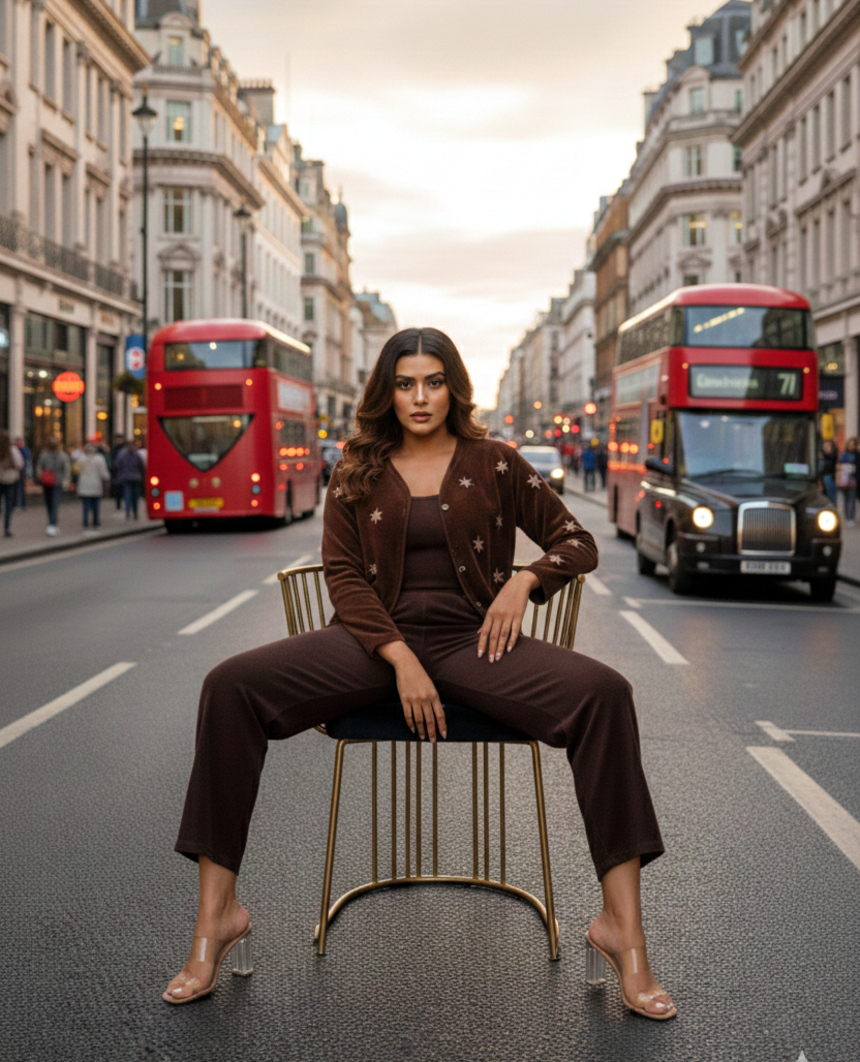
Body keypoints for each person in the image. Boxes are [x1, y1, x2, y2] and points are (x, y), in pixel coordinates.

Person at [163, 328, 675, 1020]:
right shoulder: (357, 467)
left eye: (433, 382)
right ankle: (217, 917)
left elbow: (577, 541)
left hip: (475, 644)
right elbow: (344, 576)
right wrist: (399, 656)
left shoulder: (495, 462)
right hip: (370, 646)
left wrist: (525, 580)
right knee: (228, 687)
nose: (420, 397)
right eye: (405, 384)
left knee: (607, 694)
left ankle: (622, 929)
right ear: (388, 393)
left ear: (453, 388)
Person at [35, 436, 70, 536]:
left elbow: (39, 466)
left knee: (49, 502)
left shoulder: (44, 454)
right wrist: (66, 480)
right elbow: (66, 468)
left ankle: (52, 523)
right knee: (54, 502)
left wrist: (40, 475)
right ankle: (52, 524)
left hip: (47, 481)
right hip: (57, 482)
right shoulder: (62, 455)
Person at [76, 441, 110, 529]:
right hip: (96, 485)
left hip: (84, 485)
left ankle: (85, 522)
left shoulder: (81, 459)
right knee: (96, 505)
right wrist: (107, 479)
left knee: (86, 505)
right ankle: (96, 522)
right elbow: (104, 472)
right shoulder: (99, 459)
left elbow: (76, 471)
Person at [0, 430, 25, 537]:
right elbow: (20, 464)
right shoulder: (13, 450)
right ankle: (6, 528)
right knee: (8, 505)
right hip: (10, 480)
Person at [114, 439, 144, 520]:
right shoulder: (137, 454)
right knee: (134, 497)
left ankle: (128, 512)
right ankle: (135, 512)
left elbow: (117, 465)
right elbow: (141, 465)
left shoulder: (121, 454)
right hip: (135, 477)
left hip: (126, 477)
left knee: (128, 495)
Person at [837, 437, 857, 525]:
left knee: (852, 499)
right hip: (844, 480)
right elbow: (839, 467)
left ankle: (851, 516)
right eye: (849, 445)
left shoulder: (857, 455)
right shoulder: (844, 455)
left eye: (853, 445)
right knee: (846, 499)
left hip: (853, 480)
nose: (851, 447)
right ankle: (847, 516)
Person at [14, 437, 31, 510]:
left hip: (22, 471)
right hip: (15, 471)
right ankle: (16, 504)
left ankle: (22, 504)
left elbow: (27, 458)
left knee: (21, 488)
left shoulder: (24, 449)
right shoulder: (13, 450)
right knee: (16, 488)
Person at [819, 439, 838, 505]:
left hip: (829, 477)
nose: (826, 447)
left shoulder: (833, 456)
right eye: (825, 445)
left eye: (828, 445)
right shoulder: (820, 456)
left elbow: (831, 459)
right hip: (821, 477)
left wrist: (824, 454)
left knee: (831, 498)